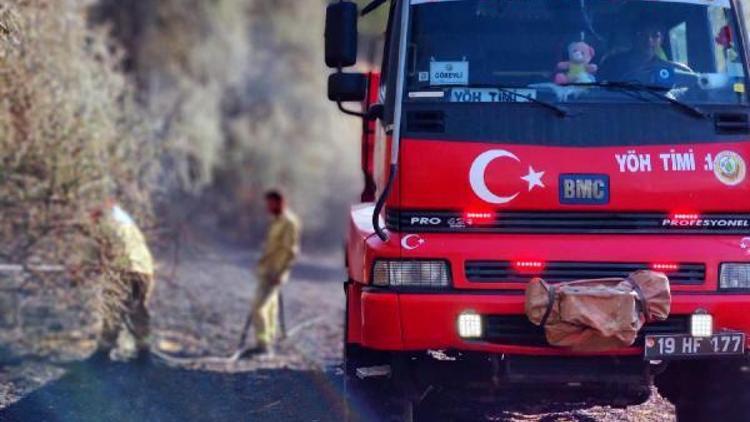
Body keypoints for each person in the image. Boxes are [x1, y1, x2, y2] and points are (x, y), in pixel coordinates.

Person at [89, 198, 155, 362]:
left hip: (122, 269)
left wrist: (83, 267)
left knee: (113, 310)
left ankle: (103, 354)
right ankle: (144, 353)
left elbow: (99, 250)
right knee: (137, 310)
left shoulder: (105, 221)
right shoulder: (125, 221)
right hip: (144, 268)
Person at [244, 190, 301, 356]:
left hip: (275, 274)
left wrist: (281, 273)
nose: (267, 207)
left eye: (270, 203)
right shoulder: (275, 221)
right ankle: (267, 343)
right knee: (270, 308)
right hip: (267, 271)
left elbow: (292, 252)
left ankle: (263, 345)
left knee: (258, 307)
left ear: (280, 202)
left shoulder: (289, 222)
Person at [599, 22, 691, 81]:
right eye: (642, 34)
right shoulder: (611, 63)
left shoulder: (675, 70)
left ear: (662, 40)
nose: (648, 40)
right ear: (633, 38)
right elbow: (596, 92)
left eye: (655, 35)